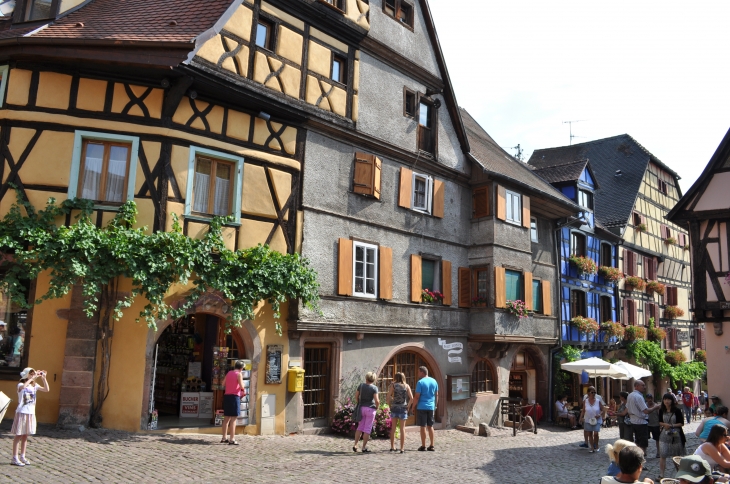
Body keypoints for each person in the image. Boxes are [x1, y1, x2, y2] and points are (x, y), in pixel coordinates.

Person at [11, 367, 49, 467]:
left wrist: (43, 378)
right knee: (18, 435)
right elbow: (23, 387)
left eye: (33, 374)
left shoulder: (34, 385)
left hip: (30, 412)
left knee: (25, 436)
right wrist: (31, 379)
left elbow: (46, 389)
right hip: (22, 412)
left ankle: (22, 456)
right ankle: (15, 457)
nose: (33, 375)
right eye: (30, 374)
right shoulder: (20, 384)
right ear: (26, 374)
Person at [627, 380, 661, 455]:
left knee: (638, 439)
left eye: (644, 385)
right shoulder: (638, 396)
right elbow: (646, 411)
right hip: (641, 421)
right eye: (642, 385)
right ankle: (641, 455)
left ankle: (638, 454)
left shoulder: (630, 395)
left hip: (634, 421)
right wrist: (655, 407)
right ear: (636, 386)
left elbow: (628, 409)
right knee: (642, 440)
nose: (644, 387)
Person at [658, 392, 687, 481]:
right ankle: (661, 474)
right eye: (665, 399)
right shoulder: (661, 410)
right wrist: (664, 424)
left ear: (672, 401)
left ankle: (679, 474)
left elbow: (681, 423)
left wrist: (672, 425)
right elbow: (659, 421)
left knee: (676, 455)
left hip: (676, 435)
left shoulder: (677, 410)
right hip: (664, 434)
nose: (667, 401)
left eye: (669, 399)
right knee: (663, 454)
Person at [409, 366, 438, 452]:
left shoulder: (420, 382)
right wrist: (435, 405)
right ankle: (432, 445)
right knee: (430, 426)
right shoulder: (434, 381)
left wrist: (413, 407)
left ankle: (423, 445)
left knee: (423, 426)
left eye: (418, 372)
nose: (417, 374)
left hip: (422, 406)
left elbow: (417, 397)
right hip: (431, 406)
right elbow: (436, 395)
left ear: (422, 372)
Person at [353, 371, 380, 453]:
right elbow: (377, 400)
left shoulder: (361, 386)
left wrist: (359, 403)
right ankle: (364, 447)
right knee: (367, 429)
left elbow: (356, 396)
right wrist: (377, 407)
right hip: (370, 409)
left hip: (361, 408)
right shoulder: (374, 388)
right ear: (374, 379)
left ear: (366, 378)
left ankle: (355, 444)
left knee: (360, 427)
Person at [222, 360, 246, 445]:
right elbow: (242, 386)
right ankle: (232, 439)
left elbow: (223, 383)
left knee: (226, 419)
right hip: (234, 397)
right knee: (233, 419)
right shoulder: (239, 374)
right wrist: (242, 385)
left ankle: (224, 438)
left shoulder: (229, 373)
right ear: (241, 368)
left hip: (227, 396)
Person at [387, 372, 413, 453]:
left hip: (394, 407)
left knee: (393, 428)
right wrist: (408, 406)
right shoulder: (406, 386)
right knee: (402, 429)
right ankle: (402, 448)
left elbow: (388, 396)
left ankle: (392, 446)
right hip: (403, 408)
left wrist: (390, 403)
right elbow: (411, 398)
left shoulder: (393, 385)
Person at [579, 385, 607, 452]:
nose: (594, 394)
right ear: (588, 393)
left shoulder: (598, 401)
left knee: (596, 433)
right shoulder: (585, 401)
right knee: (589, 433)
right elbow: (583, 410)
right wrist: (580, 418)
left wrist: (599, 415)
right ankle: (592, 447)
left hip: (597, 420)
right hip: (588, 419)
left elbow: (603, 409)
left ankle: (596, 445)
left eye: (595, 392)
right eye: (592, 392)